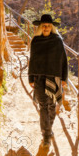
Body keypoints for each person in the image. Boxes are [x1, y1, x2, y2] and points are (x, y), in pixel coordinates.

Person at [28, 14, 68, 148]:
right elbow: (32, 60)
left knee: (51, 106)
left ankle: (48, 129)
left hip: (54, 77)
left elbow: (63, 60)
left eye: (48, 26)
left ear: (51, 27)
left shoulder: (57, 41)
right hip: (39, 78)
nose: (46, 28)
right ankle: (46, 136)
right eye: (44, 26)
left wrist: (64, 78)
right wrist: (30, 77)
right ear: (40, 27)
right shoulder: (36, 41)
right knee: (44, 106)